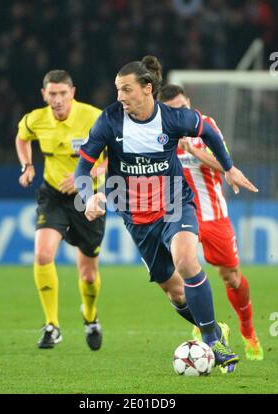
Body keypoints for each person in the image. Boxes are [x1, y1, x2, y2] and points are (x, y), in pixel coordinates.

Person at [75, 55, 258, 372]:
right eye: (118, 90)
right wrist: (87, 196)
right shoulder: (109, 121)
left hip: (175, 204)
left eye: (126, 90)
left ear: (147, 89)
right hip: (137, 218)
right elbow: (83, 166)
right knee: (175, 293)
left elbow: (209, 134)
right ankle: (213, 331)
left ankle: (213, 340)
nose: (120, 97)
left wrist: (229, 169)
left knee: (187, 261)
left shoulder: (173, 118)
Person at [158, 84, 264, 361]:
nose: (180, 113)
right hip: (178, 215)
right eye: (174, 110)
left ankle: (248, 329)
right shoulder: (158, 132)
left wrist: (192, 151)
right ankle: (210, 329)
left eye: (183, 107)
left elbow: (224, 164)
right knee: (181, 275)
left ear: (189, 103)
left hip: (213, 215)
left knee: (231, 277)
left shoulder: (205, 128)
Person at [15, 70, 106, 350]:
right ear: (44, 95)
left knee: (88, 274)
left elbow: (116, 155)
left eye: (62, 94)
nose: (57, 100)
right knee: (42, 254)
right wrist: (28, 165)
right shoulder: (35, 119)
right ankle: (52, 325)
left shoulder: (94, 117)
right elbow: (22, 137)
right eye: (52, 94)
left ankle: (90, 317)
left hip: (87, 198)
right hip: (52, 194)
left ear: (72, 93)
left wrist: (89, 175)